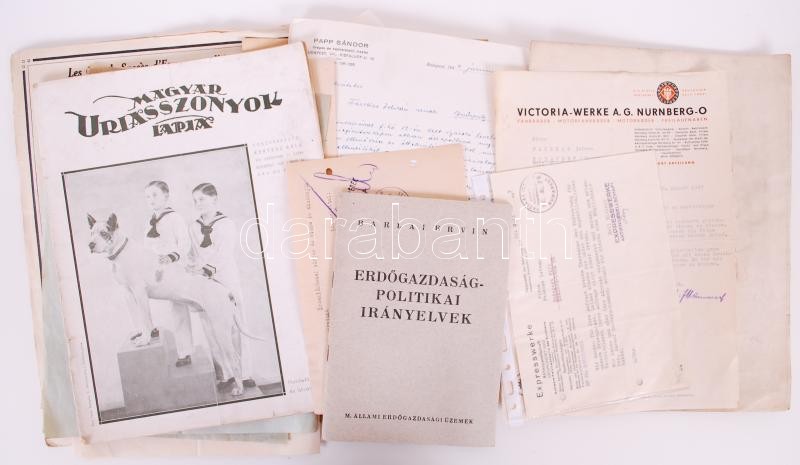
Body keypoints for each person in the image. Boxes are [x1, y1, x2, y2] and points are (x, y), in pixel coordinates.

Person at [187, 182, 255, 388]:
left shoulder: (226, 224)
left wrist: (207, 269)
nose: (198, 203)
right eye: (195, 200)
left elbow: (224, 253)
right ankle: (224, 374)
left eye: (202, 199)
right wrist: (192, 267)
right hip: (204, 281)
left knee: (234, 324)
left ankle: (244, 373)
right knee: (210, 326)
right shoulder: (193, 226)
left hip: (225, 277)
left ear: (214, 199)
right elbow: (192, 253)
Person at [142, 180, 194, 366]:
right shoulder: (150, 223)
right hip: (156, 270)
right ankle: (148, 330)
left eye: (155, 195)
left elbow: (185, 243)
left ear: (166, 196)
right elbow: (147, 248)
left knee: (178, 309)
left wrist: (172, 257)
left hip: (174, 267)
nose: (151, 199)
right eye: (148, 196)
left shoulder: (175, 218)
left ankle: (185, 352)